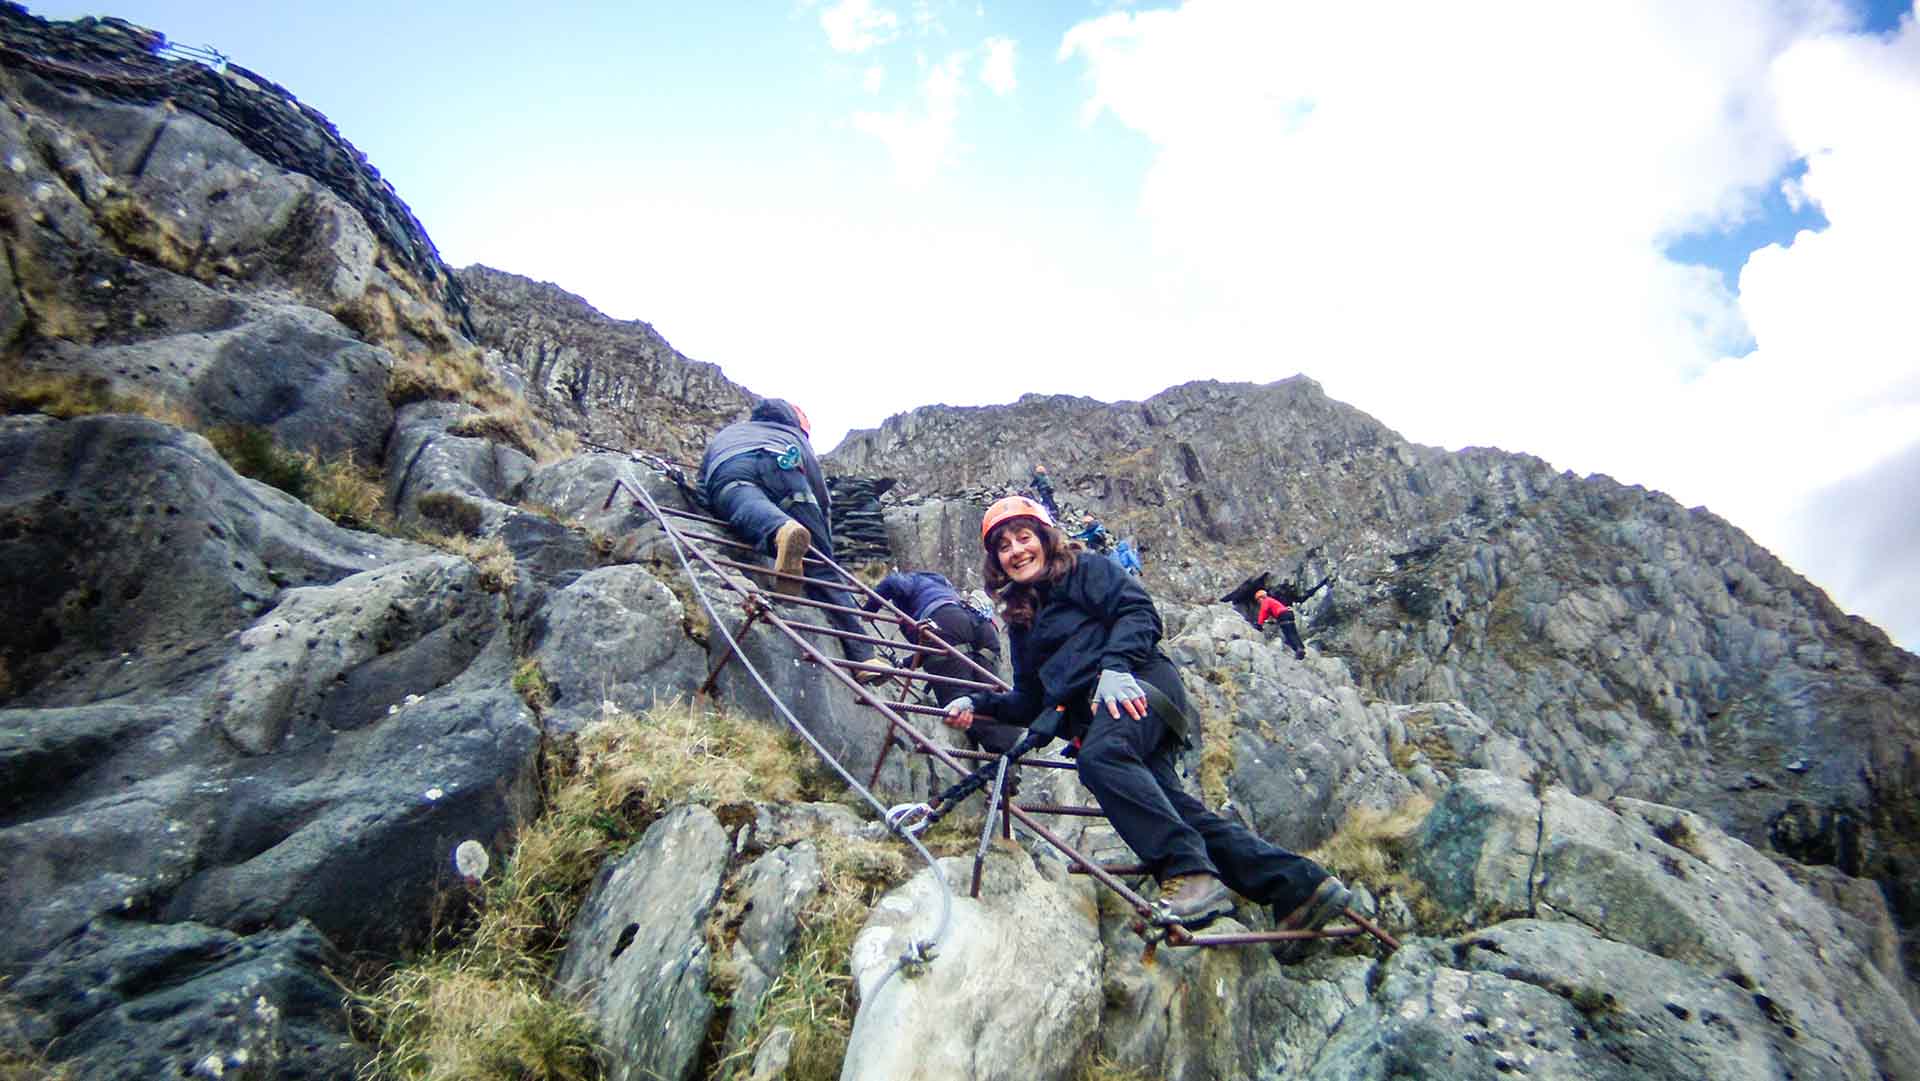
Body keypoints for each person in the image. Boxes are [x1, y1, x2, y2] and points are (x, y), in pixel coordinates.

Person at [941, 496, 1351, 937]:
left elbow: (1137, 611)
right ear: (997, 562)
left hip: (1139, 686)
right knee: (1172, 809)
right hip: (1106, 713)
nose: (1016, 550)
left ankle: (1189, 873)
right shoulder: (1022, 621)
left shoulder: (1084, 569)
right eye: (1004, 546)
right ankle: (1299, 888)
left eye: (1024, 537)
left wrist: (1116, 668)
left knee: (1100, 760)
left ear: (1044, 538)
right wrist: (979, 706)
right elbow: (1029, 699)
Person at [698, 399, 878, 676]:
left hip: (731, 465)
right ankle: (865, 659)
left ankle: (779, 530)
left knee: (740, 497)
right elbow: (819, 494)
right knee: (822, 569)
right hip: (786, 466)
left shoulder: (728, 434)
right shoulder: (794, 437)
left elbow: (703, 484)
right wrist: (822, 546)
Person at [864, 570, 1009, 746]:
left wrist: (869, 609)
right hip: (980, 629)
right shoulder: (942, 588)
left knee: (957, 704)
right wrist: (904, 663)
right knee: (987, 694)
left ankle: (995, 759)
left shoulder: (914, 580)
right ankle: (1010, 751)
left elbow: (893, 582)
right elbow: (930, 648)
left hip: (945, 623)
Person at [1255, 589, 1307, 660]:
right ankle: (1300, 648)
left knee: (1288, 633)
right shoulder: (1270, 601)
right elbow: (1268, 615)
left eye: (1258, 600)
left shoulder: (1266, 601)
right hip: (1288, 614)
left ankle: (1298, 650)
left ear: (1261, 597)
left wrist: (1259, 625)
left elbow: (1263, 612)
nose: (1258, 602)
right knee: (1293, 632)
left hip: (1283, 615)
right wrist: (1268, 622)